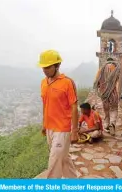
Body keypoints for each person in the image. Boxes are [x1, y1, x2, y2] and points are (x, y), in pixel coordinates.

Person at [38, 50, 78, 178]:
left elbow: (74, 107)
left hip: (63, 129)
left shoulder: (67, 82)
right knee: (64, 158)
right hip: (50, 128)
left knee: (54, 162)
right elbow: (45, 105)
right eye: (43, 67)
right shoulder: (43, 83)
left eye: (48, 67)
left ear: (57, 65)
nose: (45, 70)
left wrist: (75, 131)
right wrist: (44, 124)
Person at [94, 57, 120, 136]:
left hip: (104, 94)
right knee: (114, 108)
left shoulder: (101, 69)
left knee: (106, 109)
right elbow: (117, 80)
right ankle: (112, 123)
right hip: (113, 93)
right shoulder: (115, 68)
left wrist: (101, 86)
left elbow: (96, 82)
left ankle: (106, 125)